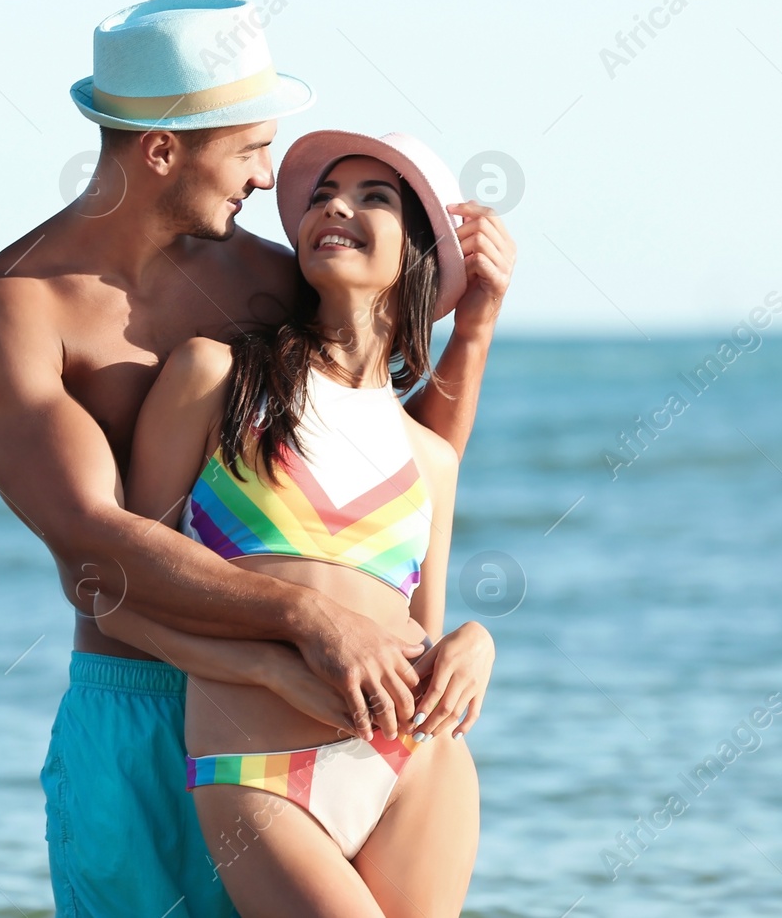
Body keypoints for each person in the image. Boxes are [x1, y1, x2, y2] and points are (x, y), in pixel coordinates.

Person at [0, 0, 516, 917]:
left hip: (317, 703)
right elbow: (96, 547)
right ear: (163, 148)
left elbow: (389, 472)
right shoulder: (8, 317)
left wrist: (474, 327)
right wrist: (303, 623)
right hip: (140, 708)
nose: (267, 180)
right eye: (252, 148)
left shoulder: (266, 280)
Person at [100, 131, 494, 917]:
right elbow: (119, 597)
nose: (335, 207)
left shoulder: (430, 458)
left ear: (419, 250)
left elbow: (420, 633)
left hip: (416, 765)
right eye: (321, 197)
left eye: (372, 197)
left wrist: (476, 644)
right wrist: (264, 668)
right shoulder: (215, 377)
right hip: (256, 772)